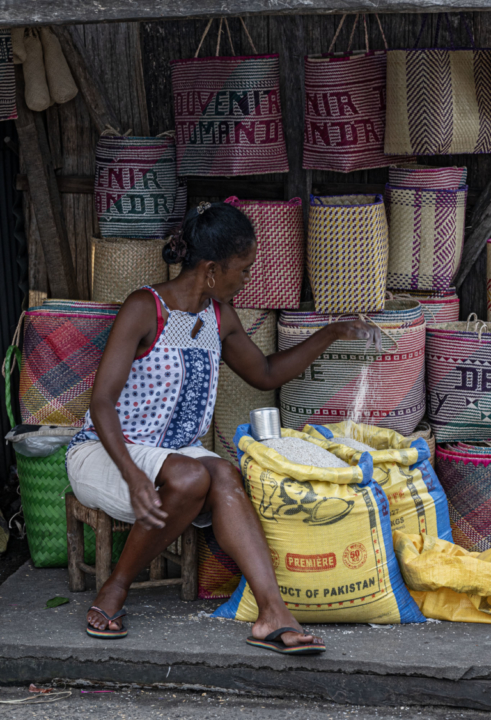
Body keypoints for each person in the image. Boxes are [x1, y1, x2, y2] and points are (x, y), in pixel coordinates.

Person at [66, 200, 381, 655]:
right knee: (193, 476)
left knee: (224, 475)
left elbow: (265, 374)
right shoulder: (144, 308)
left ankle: (272, 613)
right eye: (244, 269)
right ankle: (114, 589)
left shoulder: (219, 318)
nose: (247, 279)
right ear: (212, 270)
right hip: (105, 451)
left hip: (172, 456)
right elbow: (101, 404)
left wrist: (331, 333)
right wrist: (134, 476)